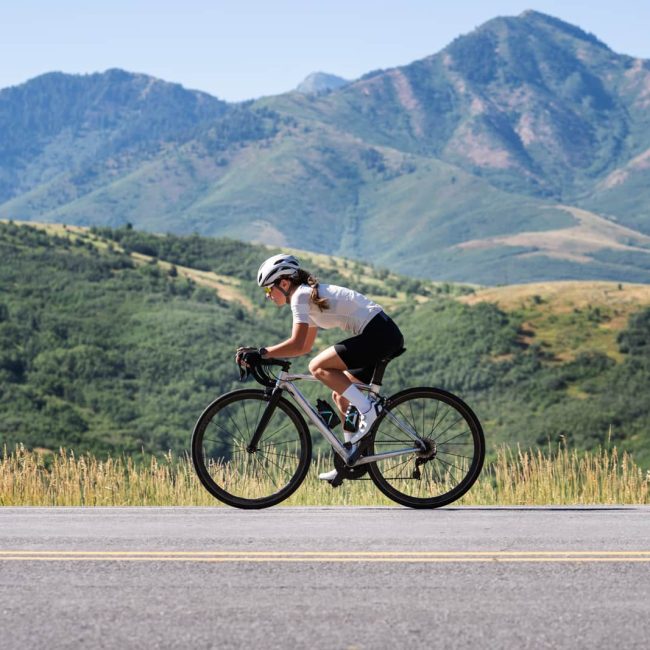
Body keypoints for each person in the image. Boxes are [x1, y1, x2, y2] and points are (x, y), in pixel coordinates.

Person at [237, 253, 404, 481]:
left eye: (268, 290)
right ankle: (350, 456)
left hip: (378, 335)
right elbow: (303, 346)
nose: (267, 296)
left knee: (318, 367)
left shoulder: (300, 296)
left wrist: (262, 352)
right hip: (381, 335)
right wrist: (264, 354)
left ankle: (369, 410)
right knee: (341, 396)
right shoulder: (307, 297)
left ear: (284, 283)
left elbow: (296, 344)